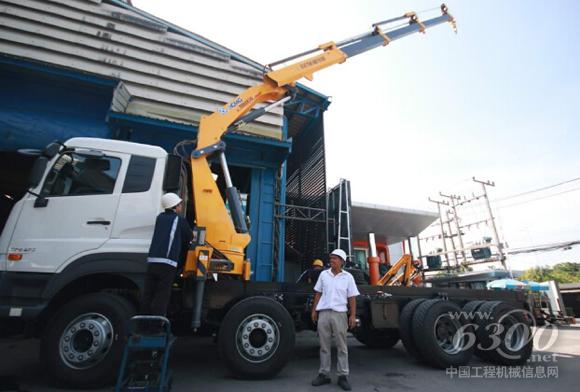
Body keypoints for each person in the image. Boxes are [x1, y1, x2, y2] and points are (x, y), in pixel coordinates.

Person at [311, 249, 360, 391]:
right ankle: (323, 374)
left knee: (342, 347)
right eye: (331, 258)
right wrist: (314, 310)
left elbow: (352, 298)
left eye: (335, 258)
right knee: (324, 346)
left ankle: (342, 376)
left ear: (342, 262)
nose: (332, 260)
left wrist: (352, 315)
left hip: (340, 314)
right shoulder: (323, 275)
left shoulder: (348, 277)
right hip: (324, 313)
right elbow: (318, 293)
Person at [141, 193, 193, 316]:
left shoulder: (160, 217)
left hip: (152, 261)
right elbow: (189, 236)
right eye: (180, 204)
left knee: (148, 294)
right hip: (167, 263)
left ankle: (142, 323)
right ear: (176, 206)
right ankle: (157, 326)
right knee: (162, 295)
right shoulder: (179, 220)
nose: (181, 206)